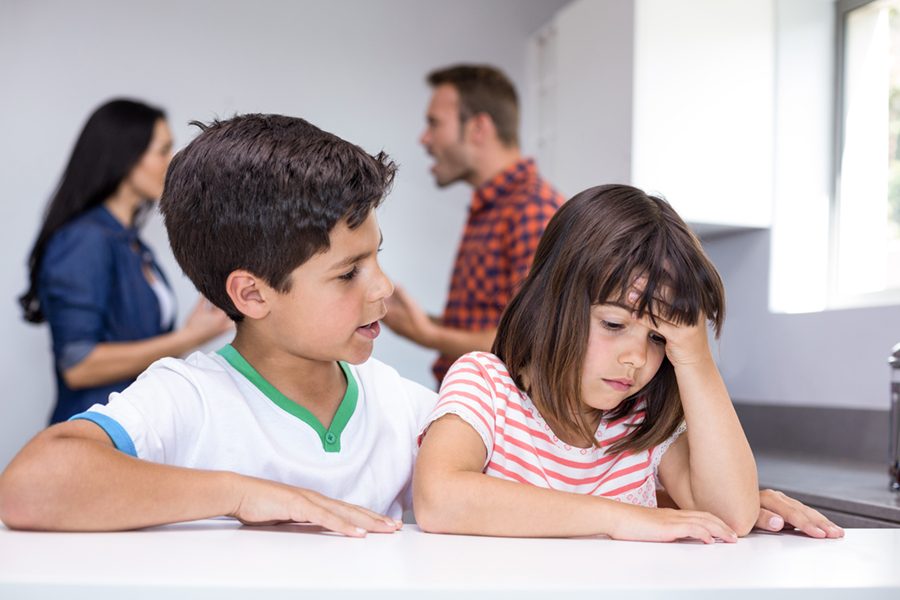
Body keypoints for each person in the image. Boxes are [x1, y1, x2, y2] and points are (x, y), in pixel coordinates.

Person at [0, 114, 434, 535]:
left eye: (376, 255)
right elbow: (28, 487)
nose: (383, 287)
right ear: (252, 294)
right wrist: (239, 494)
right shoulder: (189, 398)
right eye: (348, 273)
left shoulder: (402, 405)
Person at [413, 184, 843, 542]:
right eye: (614, 323)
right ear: (550, 304)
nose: (636, 358)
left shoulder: (644, 425)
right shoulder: (485, 385)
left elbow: (730, 516)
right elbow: (438, 498)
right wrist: (618, 516)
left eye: (658, 338)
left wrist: (696, 359)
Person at [19, 99, 232, 424]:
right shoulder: (85, 239)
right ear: (126, 157)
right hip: (93, 437)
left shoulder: (130, 243)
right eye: (163, 150)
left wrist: (192, 333)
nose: (171, 161)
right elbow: (79, 366)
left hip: (133, 428)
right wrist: (189, 338)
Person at [383, 64, 565, 386]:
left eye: (434, 123)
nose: (424, 138)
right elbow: (490, 321)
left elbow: (533, 342)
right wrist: (417, 321)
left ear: (478, 128)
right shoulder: (495, 207)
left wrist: (428, 334)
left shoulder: (533, 210)